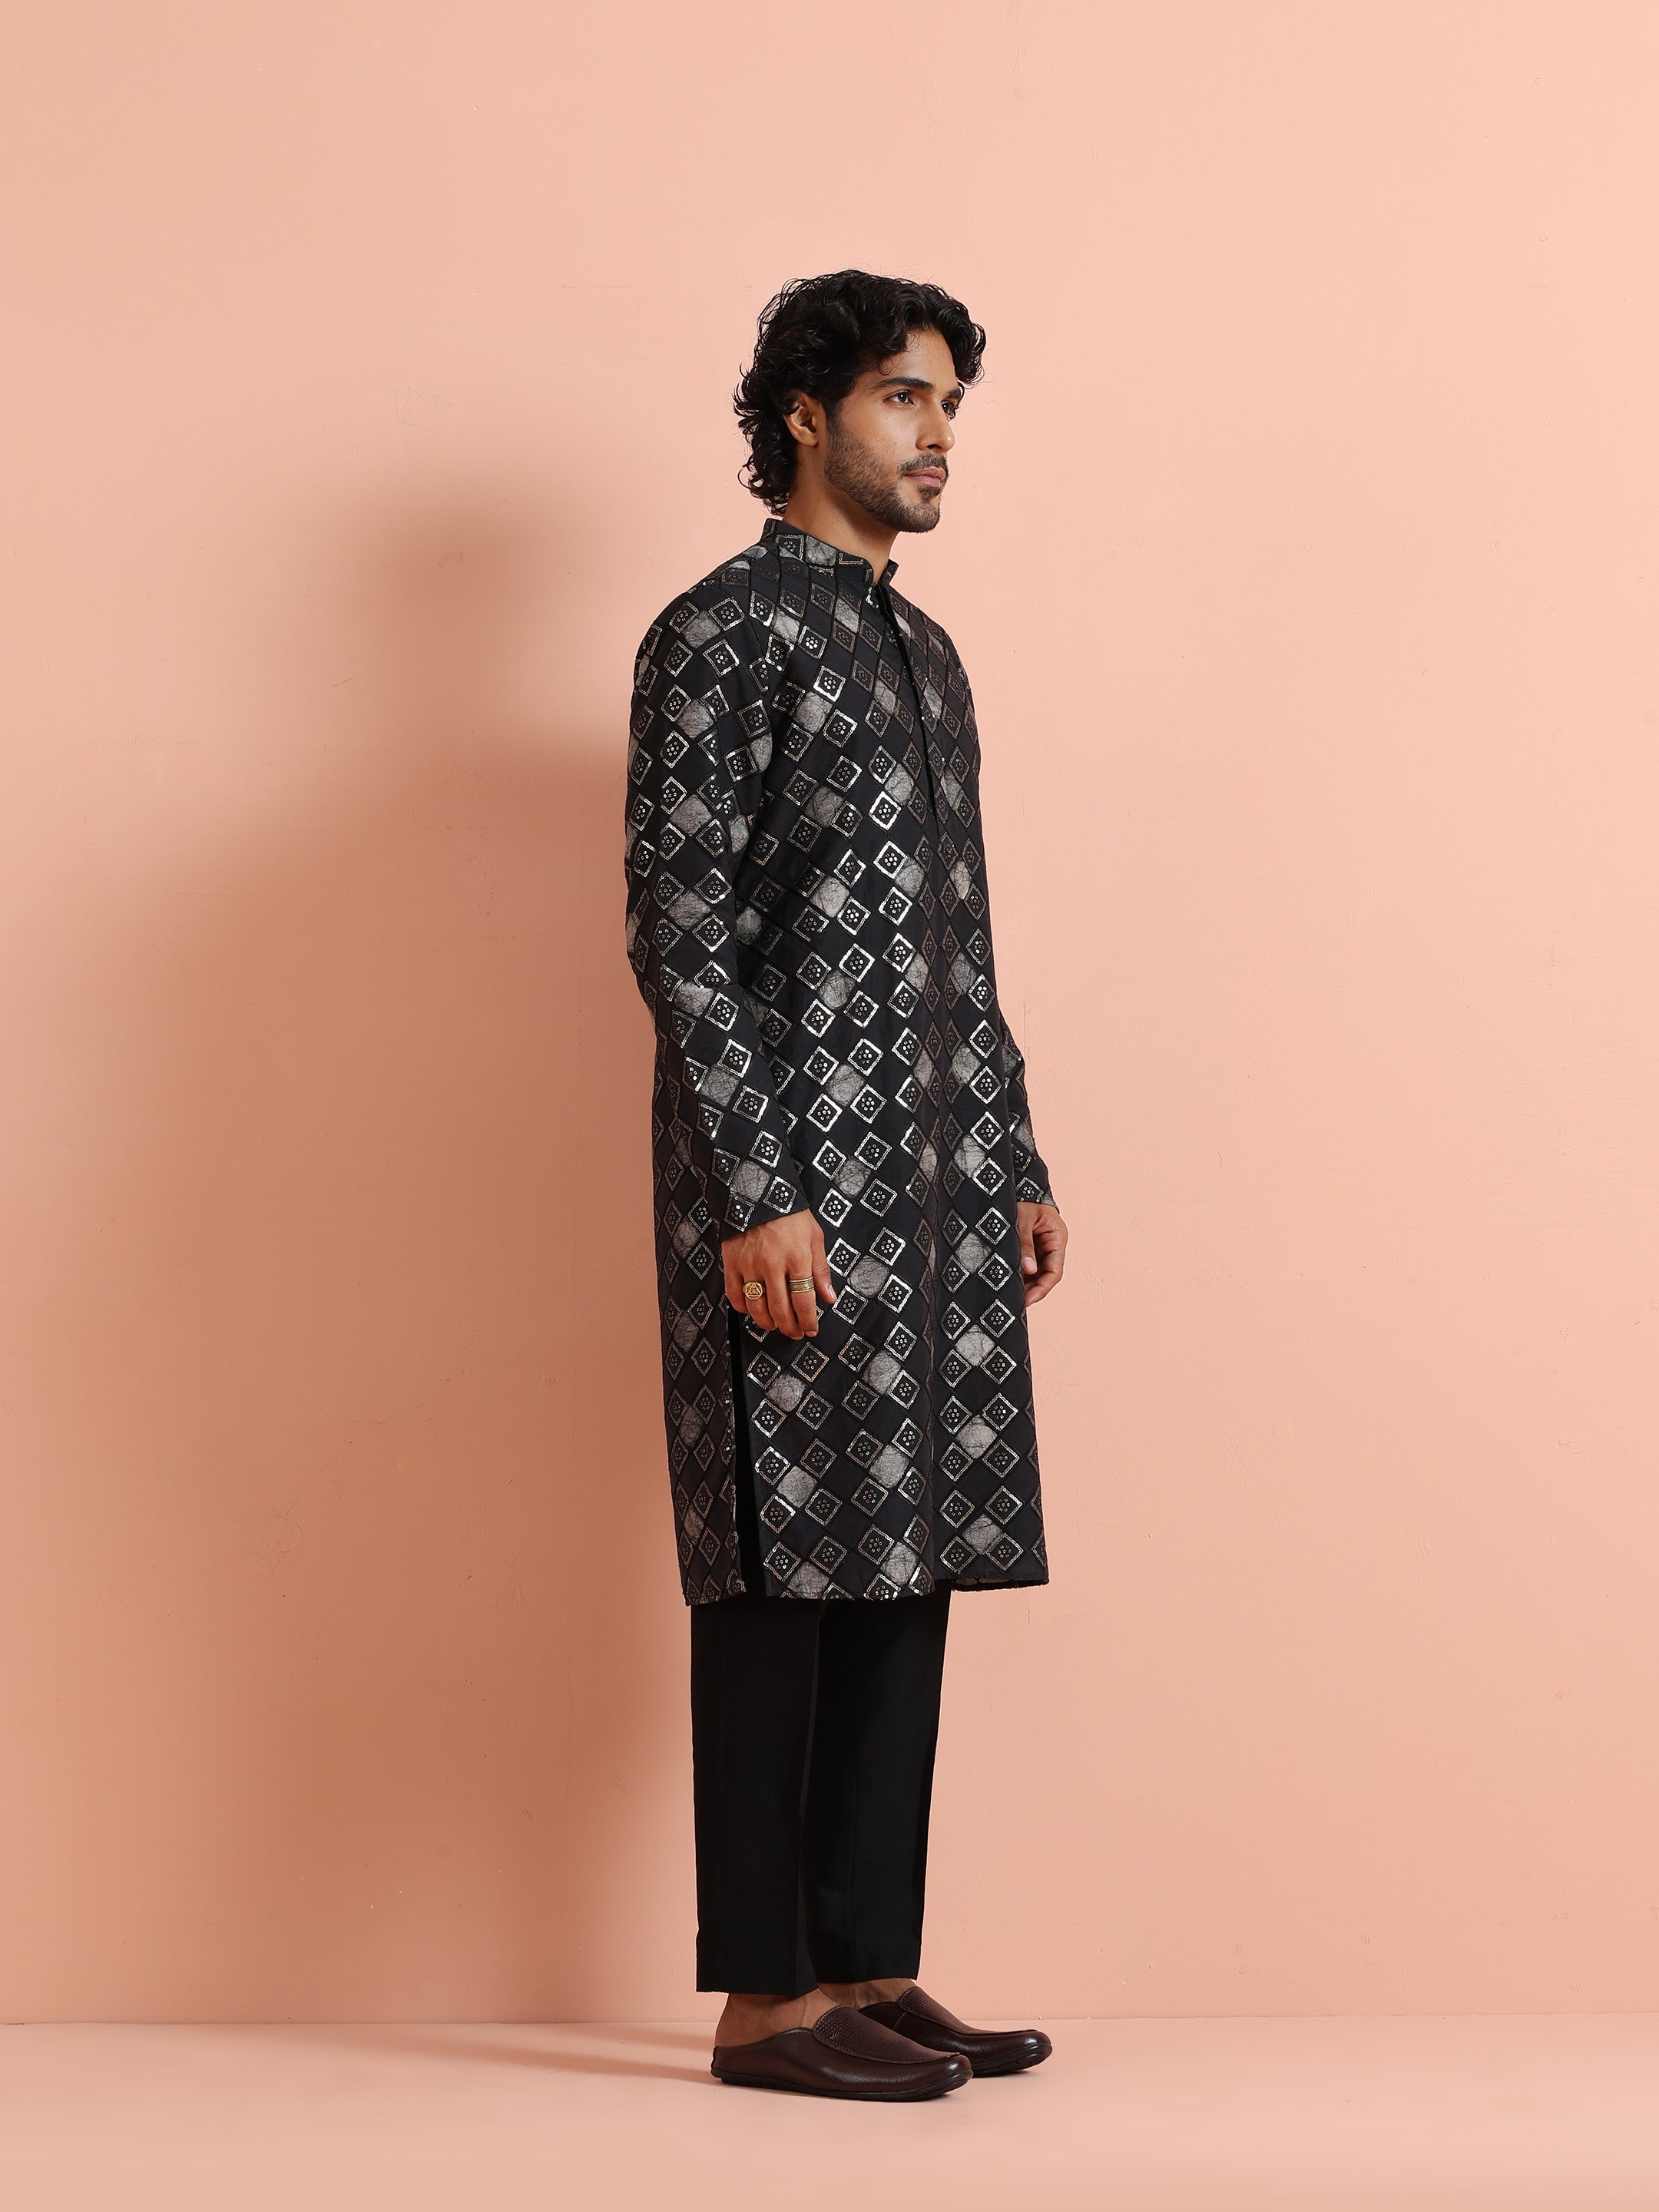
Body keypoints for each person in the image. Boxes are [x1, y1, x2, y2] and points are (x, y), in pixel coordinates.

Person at [624, 270, 1068, 2101]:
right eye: (902, 395)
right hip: (790, 1186)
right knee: (784, 1578)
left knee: (908, 1563)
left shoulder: (925, 652)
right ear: (806, 415)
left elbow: (962, 938)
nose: (938, 432)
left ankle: (868, 1965)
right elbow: (681, 930)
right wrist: (755, 1188)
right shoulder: (724, 636)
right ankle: (765, 2007)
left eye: (950, 400)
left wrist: (1015, 1151)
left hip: (937, 1184)